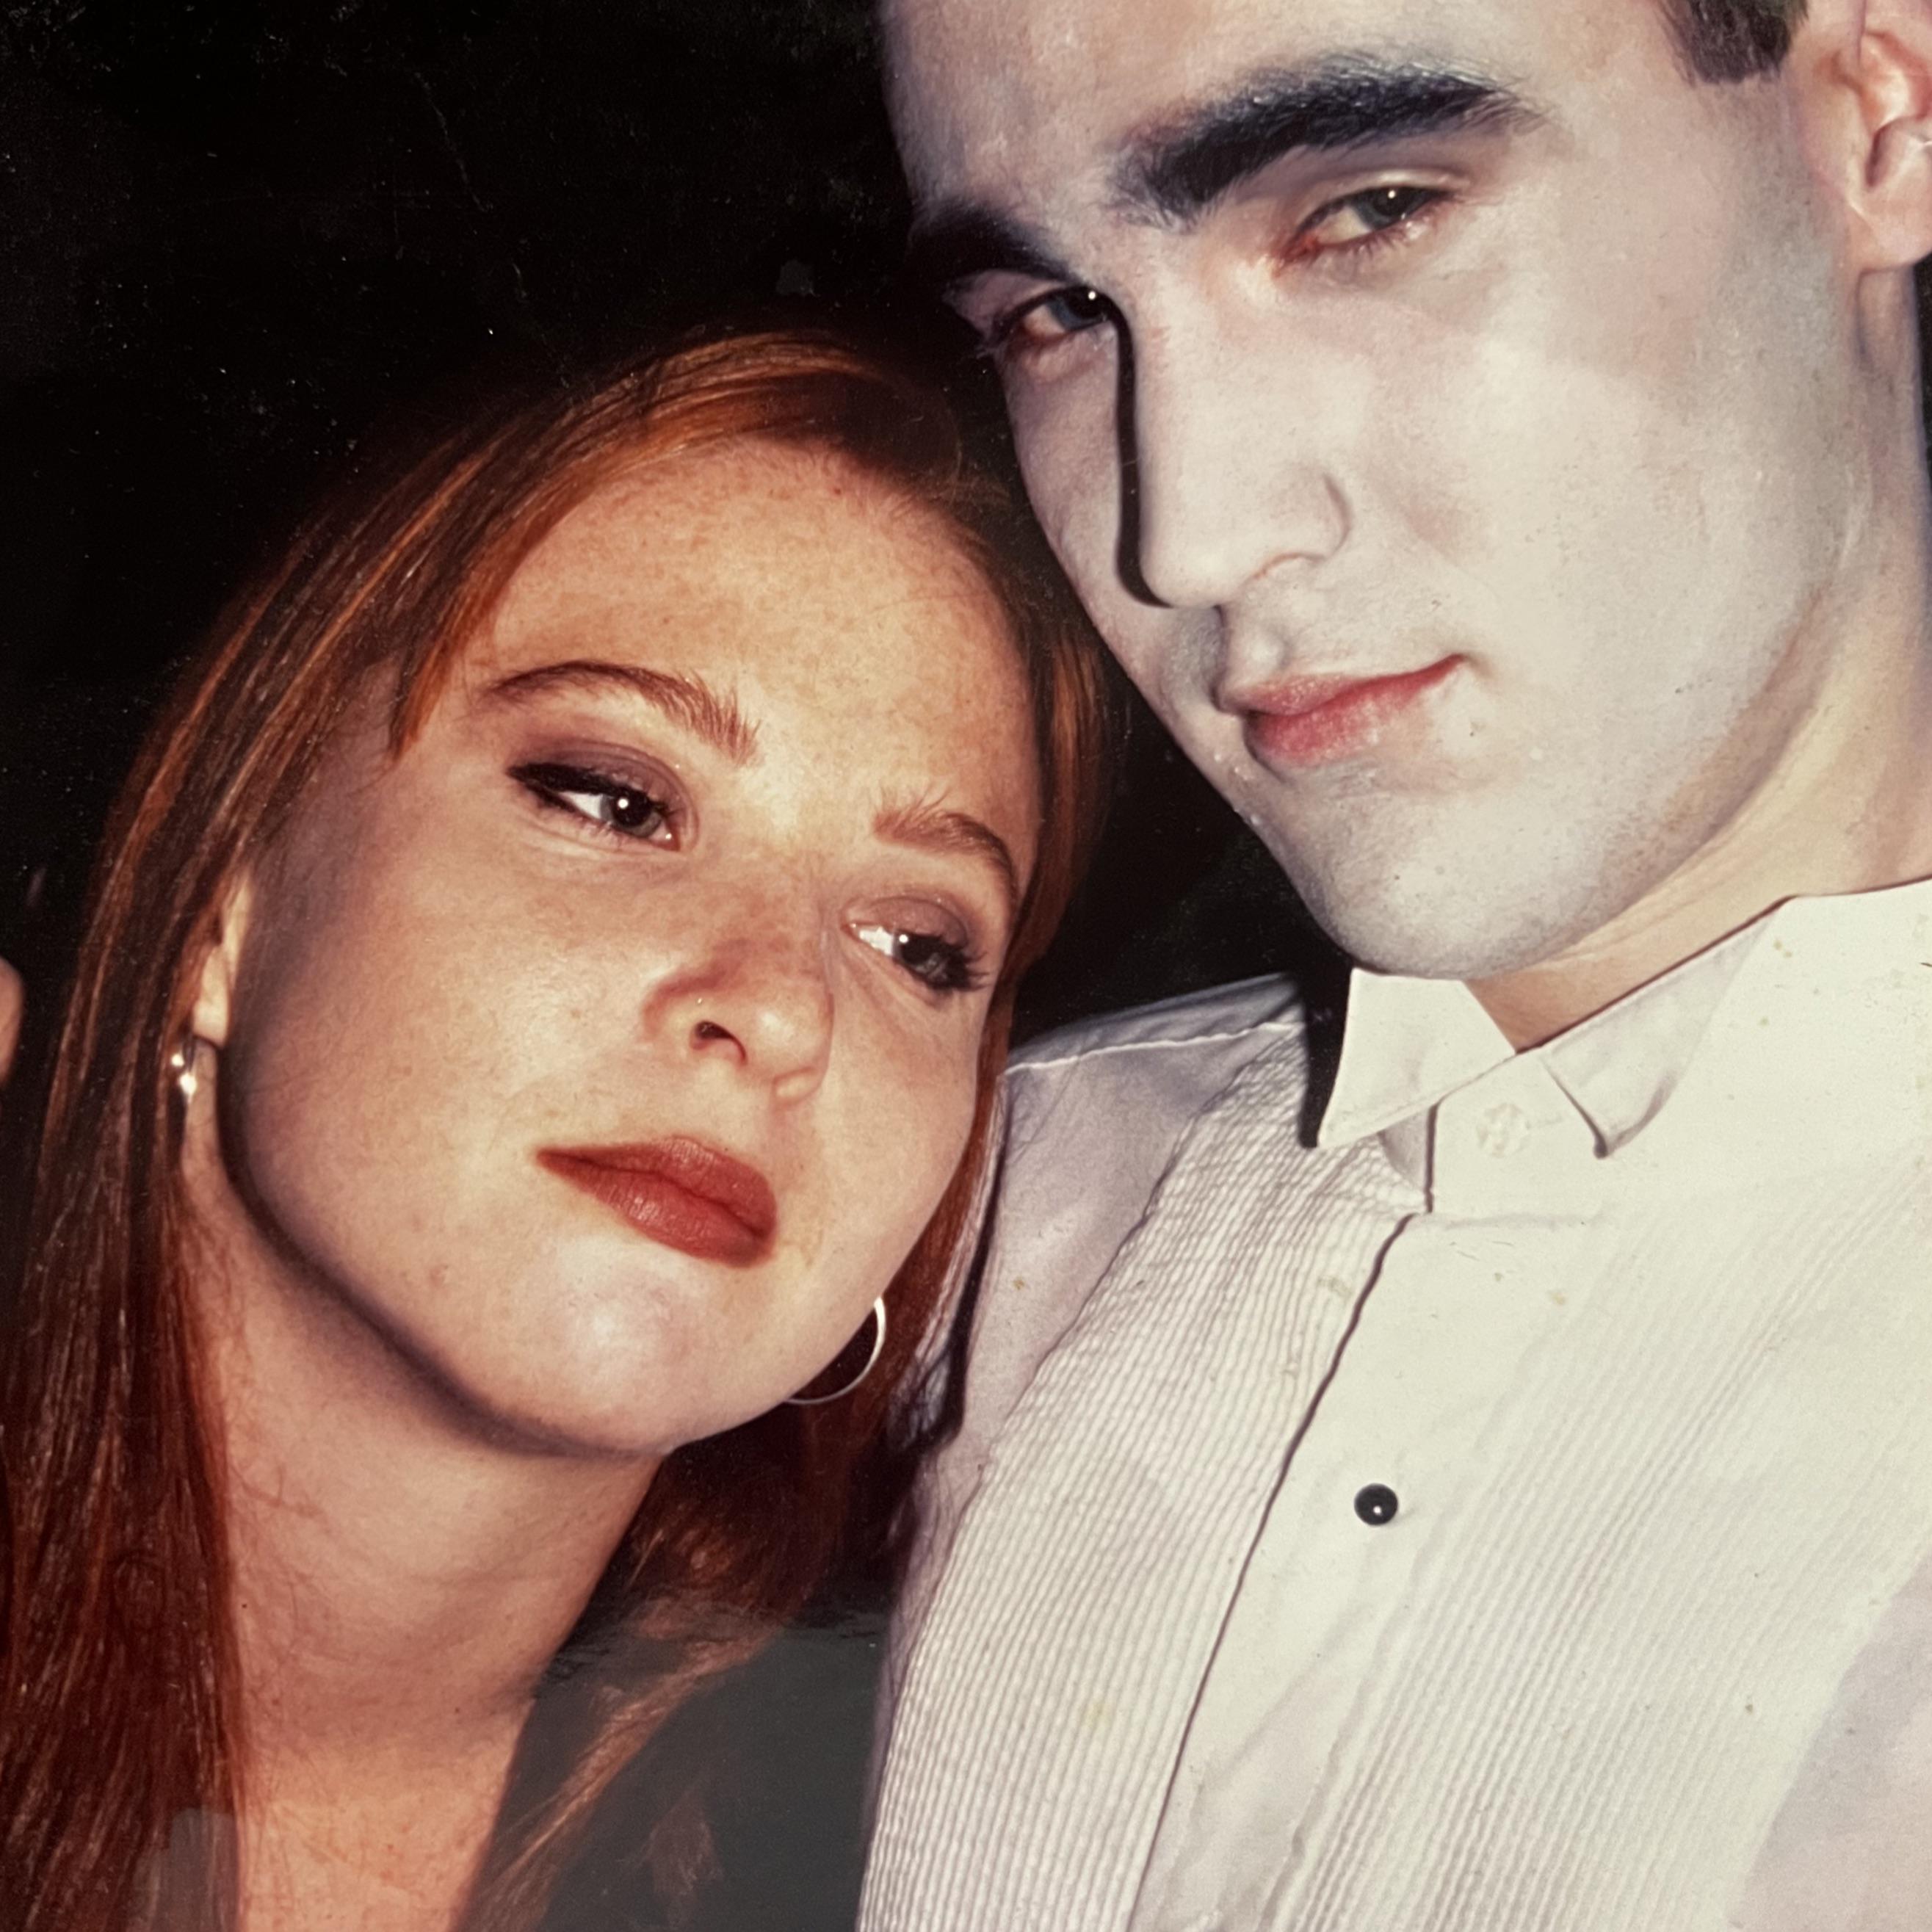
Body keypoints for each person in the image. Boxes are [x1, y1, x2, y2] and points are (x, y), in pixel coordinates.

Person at [861, 1, 1932, 1928]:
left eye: (1367, 211)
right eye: (1053, 316)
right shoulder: (926, 1215)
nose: (1190, 533)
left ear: (1881, 110)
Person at [0, 325, 1111, 1931]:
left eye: (917, 944)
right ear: (222, 907)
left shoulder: (934, 1850)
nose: (783, 1009)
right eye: (613, 799)